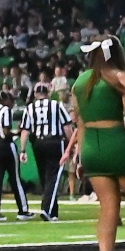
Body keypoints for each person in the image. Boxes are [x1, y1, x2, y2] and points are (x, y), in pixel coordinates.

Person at [68, 36, 125, 251]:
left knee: (108, 206)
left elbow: (79, 123)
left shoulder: (79, 83)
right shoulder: (121, 78)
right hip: (117, 142)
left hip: (91, 147)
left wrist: (79, 158)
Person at [22, 82, 73, 221]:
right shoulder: (56, 105)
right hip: (54, 142)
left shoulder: (30, 108)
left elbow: (25, 130)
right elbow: (67, 127)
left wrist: (22, 149)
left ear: (35, 94)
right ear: (48, 93)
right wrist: (72, 145)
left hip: (38, 143)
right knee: (53, 177)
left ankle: (53, 211)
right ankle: (47, 209)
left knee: (45, 176)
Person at [0, 93, 33, 222]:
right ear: (5, 100)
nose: (13, 103)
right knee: (15, 178)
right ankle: (23, 210)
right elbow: (6, 132)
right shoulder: (6, 110)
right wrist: (18, 132)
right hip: (5, 146)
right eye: (11, 100)